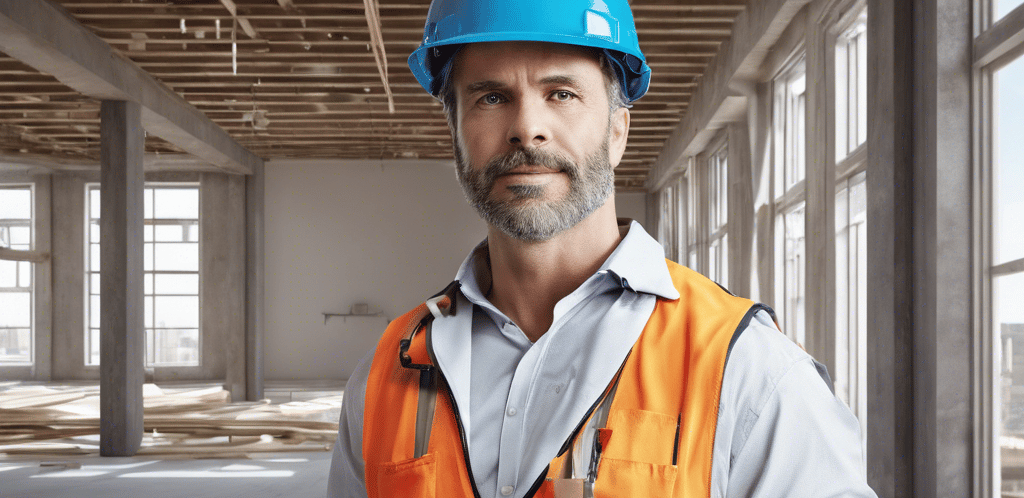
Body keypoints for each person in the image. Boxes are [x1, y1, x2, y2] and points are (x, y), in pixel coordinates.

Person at [328, 0, 877, 496]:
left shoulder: (746, 369)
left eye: (561, 93)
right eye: (491, 97)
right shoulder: (388, 373)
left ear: (618, 131)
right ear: (456, 134)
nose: (527, 128)